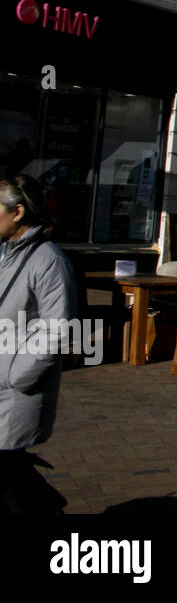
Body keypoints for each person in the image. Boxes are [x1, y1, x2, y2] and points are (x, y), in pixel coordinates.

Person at [0, 175, 77, 512]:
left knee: (8, 472)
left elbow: (57, 330)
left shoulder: (48, 260)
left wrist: (17, 375)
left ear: (17, 212)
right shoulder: (7, 253)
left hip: (14, 388)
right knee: (10, 473)